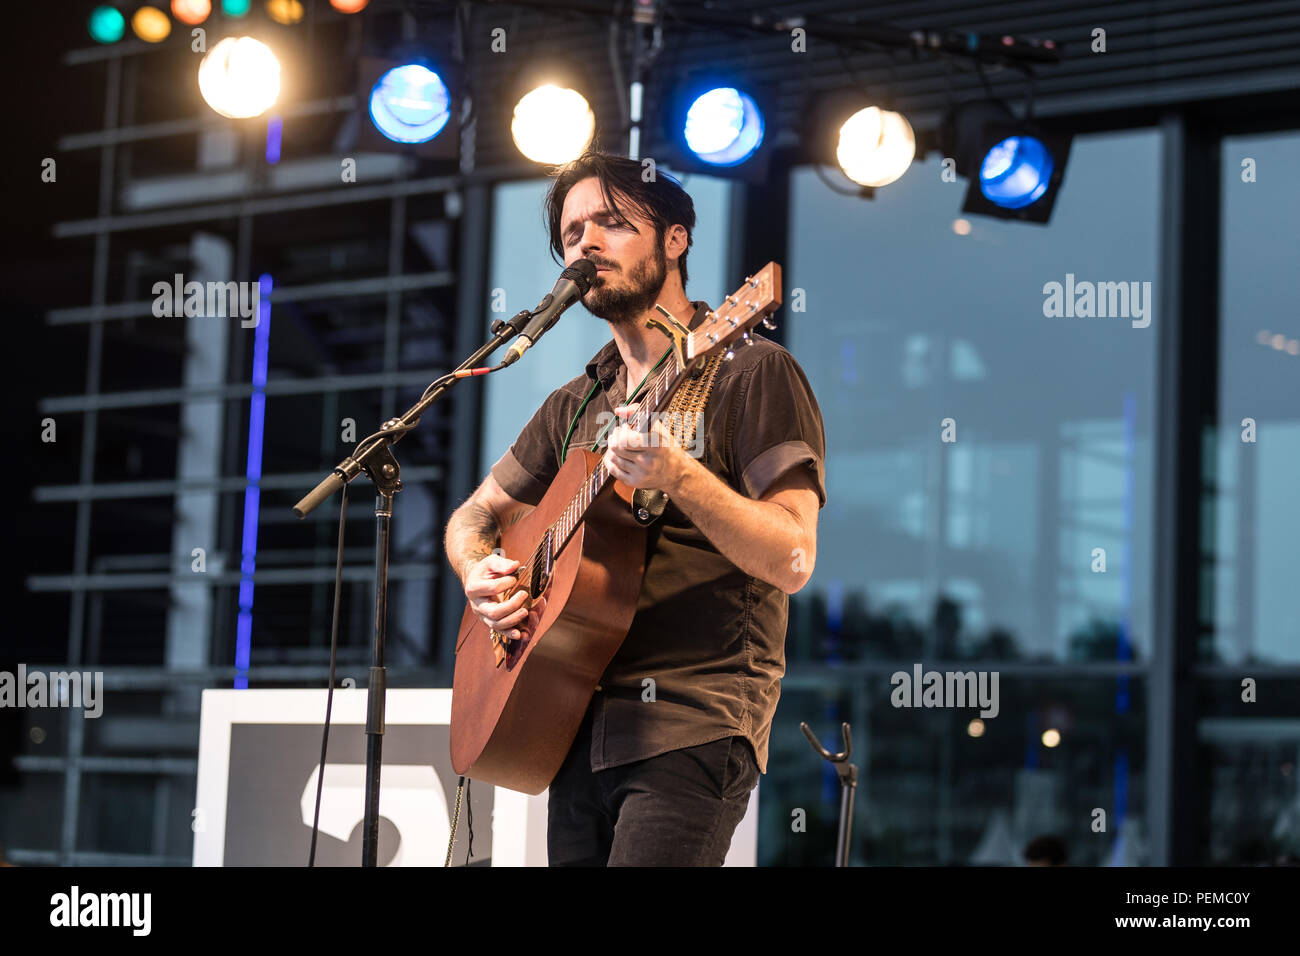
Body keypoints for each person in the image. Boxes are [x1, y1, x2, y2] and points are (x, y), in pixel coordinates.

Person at [443, 148, 827, 866]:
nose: (586, 242)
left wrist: (680, 475)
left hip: (691, 719)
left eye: (612, 223)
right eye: (571, 234)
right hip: (569, 718)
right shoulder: (575, 402)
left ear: (675, 240)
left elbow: (794, 556)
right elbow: (476, 515)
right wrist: (478, 571)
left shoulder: (750, 370)